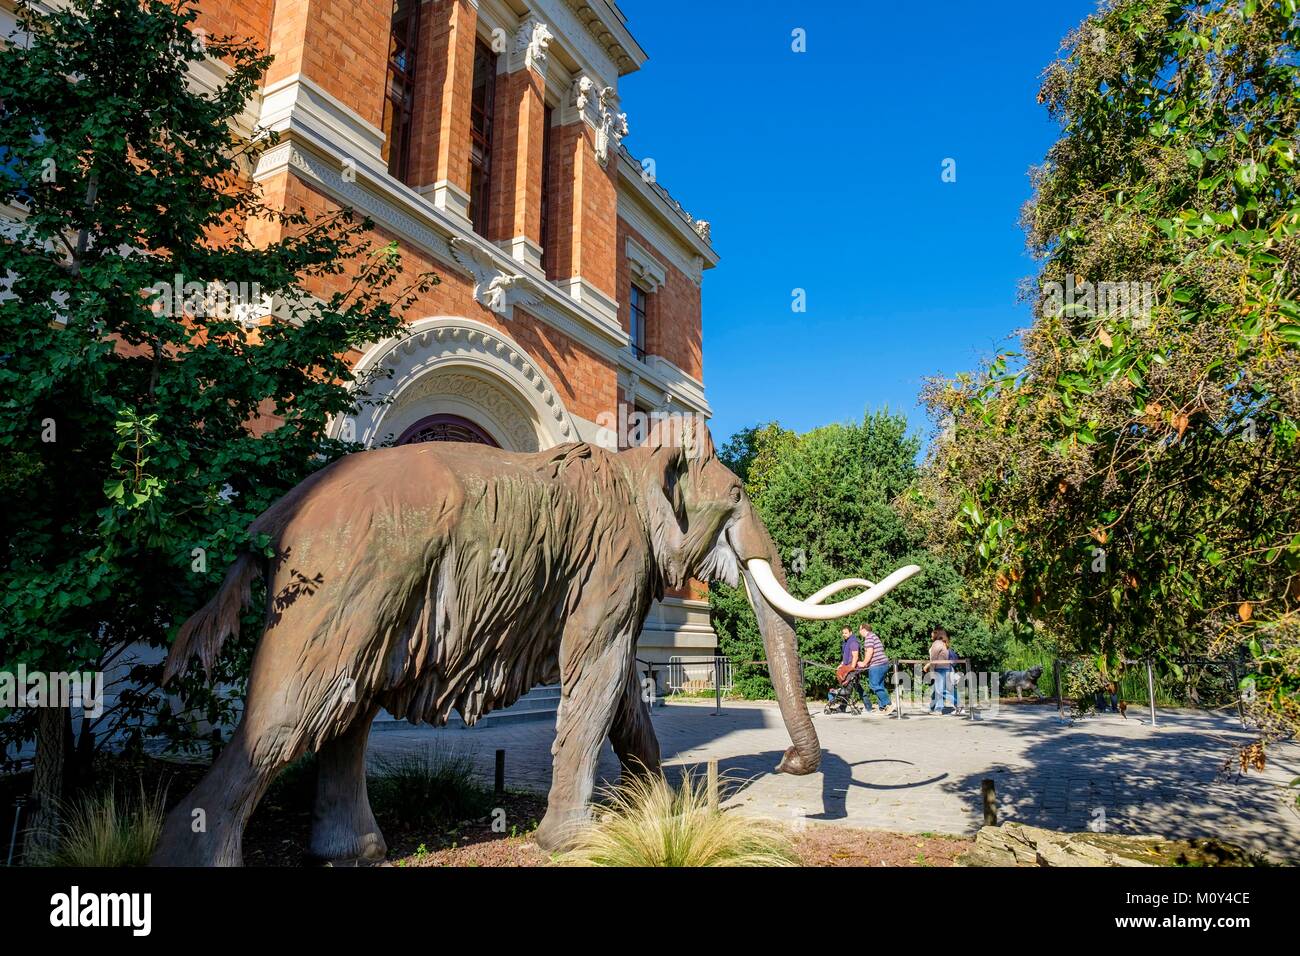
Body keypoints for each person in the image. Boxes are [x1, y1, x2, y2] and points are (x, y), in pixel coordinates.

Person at [858, 623, 895, 715]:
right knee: (880, 686)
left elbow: (870, 652)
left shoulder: (869, 638)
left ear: (863, 629)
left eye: (859, 630)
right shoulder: (874, 636)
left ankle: (888, 704)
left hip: (877, 665)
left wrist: (864, 663)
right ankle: (882, 708)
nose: (859, 632)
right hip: (883, 664)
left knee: (874, 685)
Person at [835, 625, 872, 711]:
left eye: (846, 633)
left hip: (852, 668)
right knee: (857, 687)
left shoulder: (853, 642)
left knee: (848, 687)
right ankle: (868, 706)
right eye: (843, 633)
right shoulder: (847, 642)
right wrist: (841, 664)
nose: (844, 634)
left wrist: (851, 669)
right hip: (848, 667)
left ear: (850, 633)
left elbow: (855, 656)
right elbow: (846, 657)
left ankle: (842, 707)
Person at [927, 626, 953, 714]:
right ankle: (935, 707)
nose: (931, 637)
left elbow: (933, 659)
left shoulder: (937, 643)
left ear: (936, 633)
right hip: (945, 668)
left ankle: (939, 709)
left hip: (940, 669)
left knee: (940, 690)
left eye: (932, 635)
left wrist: (931, 671)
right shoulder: (942, 643)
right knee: (940, 690)